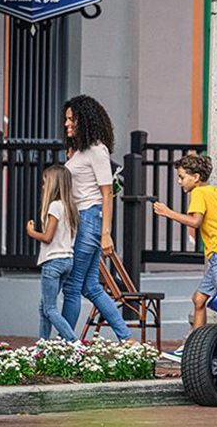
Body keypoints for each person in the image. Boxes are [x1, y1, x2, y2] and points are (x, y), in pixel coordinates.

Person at [60, 95, 132, 342]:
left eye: (72, 119)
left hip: (91, 219)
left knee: (72, 285)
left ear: (86, 119)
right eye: (66, 119)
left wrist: (105, 233)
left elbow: (107, 192)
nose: (67, 123)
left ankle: (66, 345)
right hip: (81, 219)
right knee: (90, 286)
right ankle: (126, 338)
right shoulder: (81, 151)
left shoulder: (97, 150)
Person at [153, 154, 217, 362]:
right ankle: (196, 348)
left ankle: (202, 349)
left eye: (182, 177)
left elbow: (195, 221)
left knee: (216, 302)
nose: (179, 181)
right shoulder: (215, 192)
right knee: (200, 299)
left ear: (196, 177)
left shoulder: (198, 192)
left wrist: (167, 212)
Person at [27, 165, 80, 342]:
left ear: (53, 185)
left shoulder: (55, 207)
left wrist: (31, 232)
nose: (42, 187)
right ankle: (42, 347)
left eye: (44, 183)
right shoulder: (70, 207)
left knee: (49, 309)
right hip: (67, 261)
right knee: (44, 307)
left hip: (53, 262)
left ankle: (74, 342)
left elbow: (48, 237)